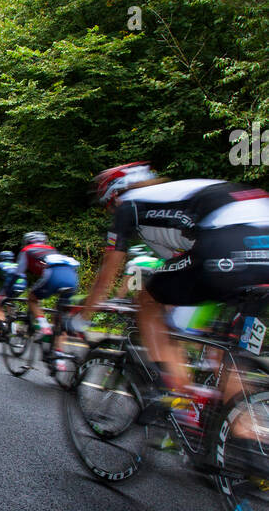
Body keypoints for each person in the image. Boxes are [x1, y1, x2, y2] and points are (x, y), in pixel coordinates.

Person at [71, 162, 269, 413]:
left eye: (108, 205)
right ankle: (242, 438)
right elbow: (181, 268)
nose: (111, 211)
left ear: (116, 195)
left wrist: (83, 317)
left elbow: (107, 275)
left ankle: (178, 400)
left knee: (146, 298)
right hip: (261, 241)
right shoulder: (172, 201)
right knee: (231, 361)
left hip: (225, 241)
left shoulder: (131, 203)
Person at [15, 232, 80, 353]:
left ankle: (43, 325)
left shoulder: (27, 249)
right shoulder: (51, 249)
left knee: (32, 298)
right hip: (72, 277)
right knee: (60, 314)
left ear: (27, 242)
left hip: (54, 275)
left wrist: (15, 285)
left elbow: (19, 272)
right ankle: (59, 356)